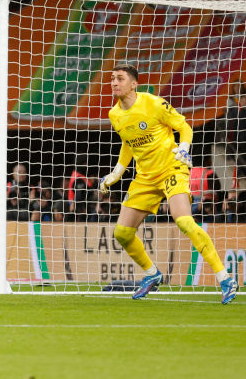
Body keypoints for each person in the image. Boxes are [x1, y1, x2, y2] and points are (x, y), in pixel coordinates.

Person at [99, 64, 236, 304]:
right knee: (122, 232)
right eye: (112, 78)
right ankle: (152, 274)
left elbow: (184, 127)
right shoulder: (115, 114)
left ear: (134, 83)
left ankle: (224, 277)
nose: (114, 83)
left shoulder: (154, 103)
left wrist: (183, 148)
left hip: (171, 168)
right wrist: (116, 172)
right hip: (145, 177)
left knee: (183, 220)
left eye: (120, 78)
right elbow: (128, 143)